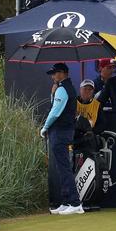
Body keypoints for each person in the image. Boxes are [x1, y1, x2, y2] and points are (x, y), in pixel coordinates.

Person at [41, 62, 83, 215]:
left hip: (60, 132)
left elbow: (55, 112)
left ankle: (75, 203)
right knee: (61, 166)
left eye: (55, 73)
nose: (53, 76)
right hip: (65, 131)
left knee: (64, 167)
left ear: (63, 73)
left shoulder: (62, 89)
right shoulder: (66, 88)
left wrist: (45, 127)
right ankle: (66, 202)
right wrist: (53, 94)